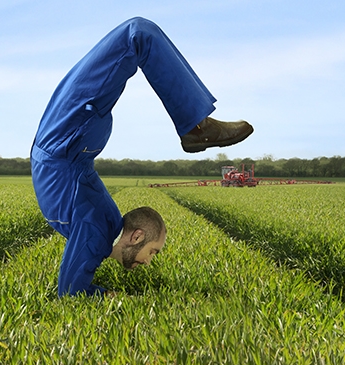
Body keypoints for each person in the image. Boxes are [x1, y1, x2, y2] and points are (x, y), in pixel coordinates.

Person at [30, 17, 254, 296]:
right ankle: (194, 125)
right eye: (153, 252)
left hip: (67, 139)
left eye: (152, 252)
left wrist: (106, 295)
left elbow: (70, 292)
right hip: (68, 141)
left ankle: (194, 124)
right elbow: (73, 288)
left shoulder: (97, 234)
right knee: (138, 33)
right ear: (136, 236)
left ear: (135, 237)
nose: (148, 261)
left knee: (138, 34)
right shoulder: (104, 227)